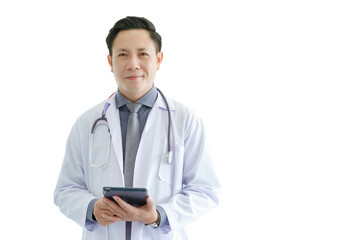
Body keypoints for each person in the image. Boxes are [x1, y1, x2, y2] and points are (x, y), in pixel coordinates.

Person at [54, 16, 220, 240]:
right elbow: (66, 190)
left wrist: (159, 215)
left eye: (143, 54)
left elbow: (205, 191)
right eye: (122, 54)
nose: (133, 64)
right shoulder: (87, 123)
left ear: (158, 59)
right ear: (110, 61)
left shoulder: (185, 120)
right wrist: (91, 208)